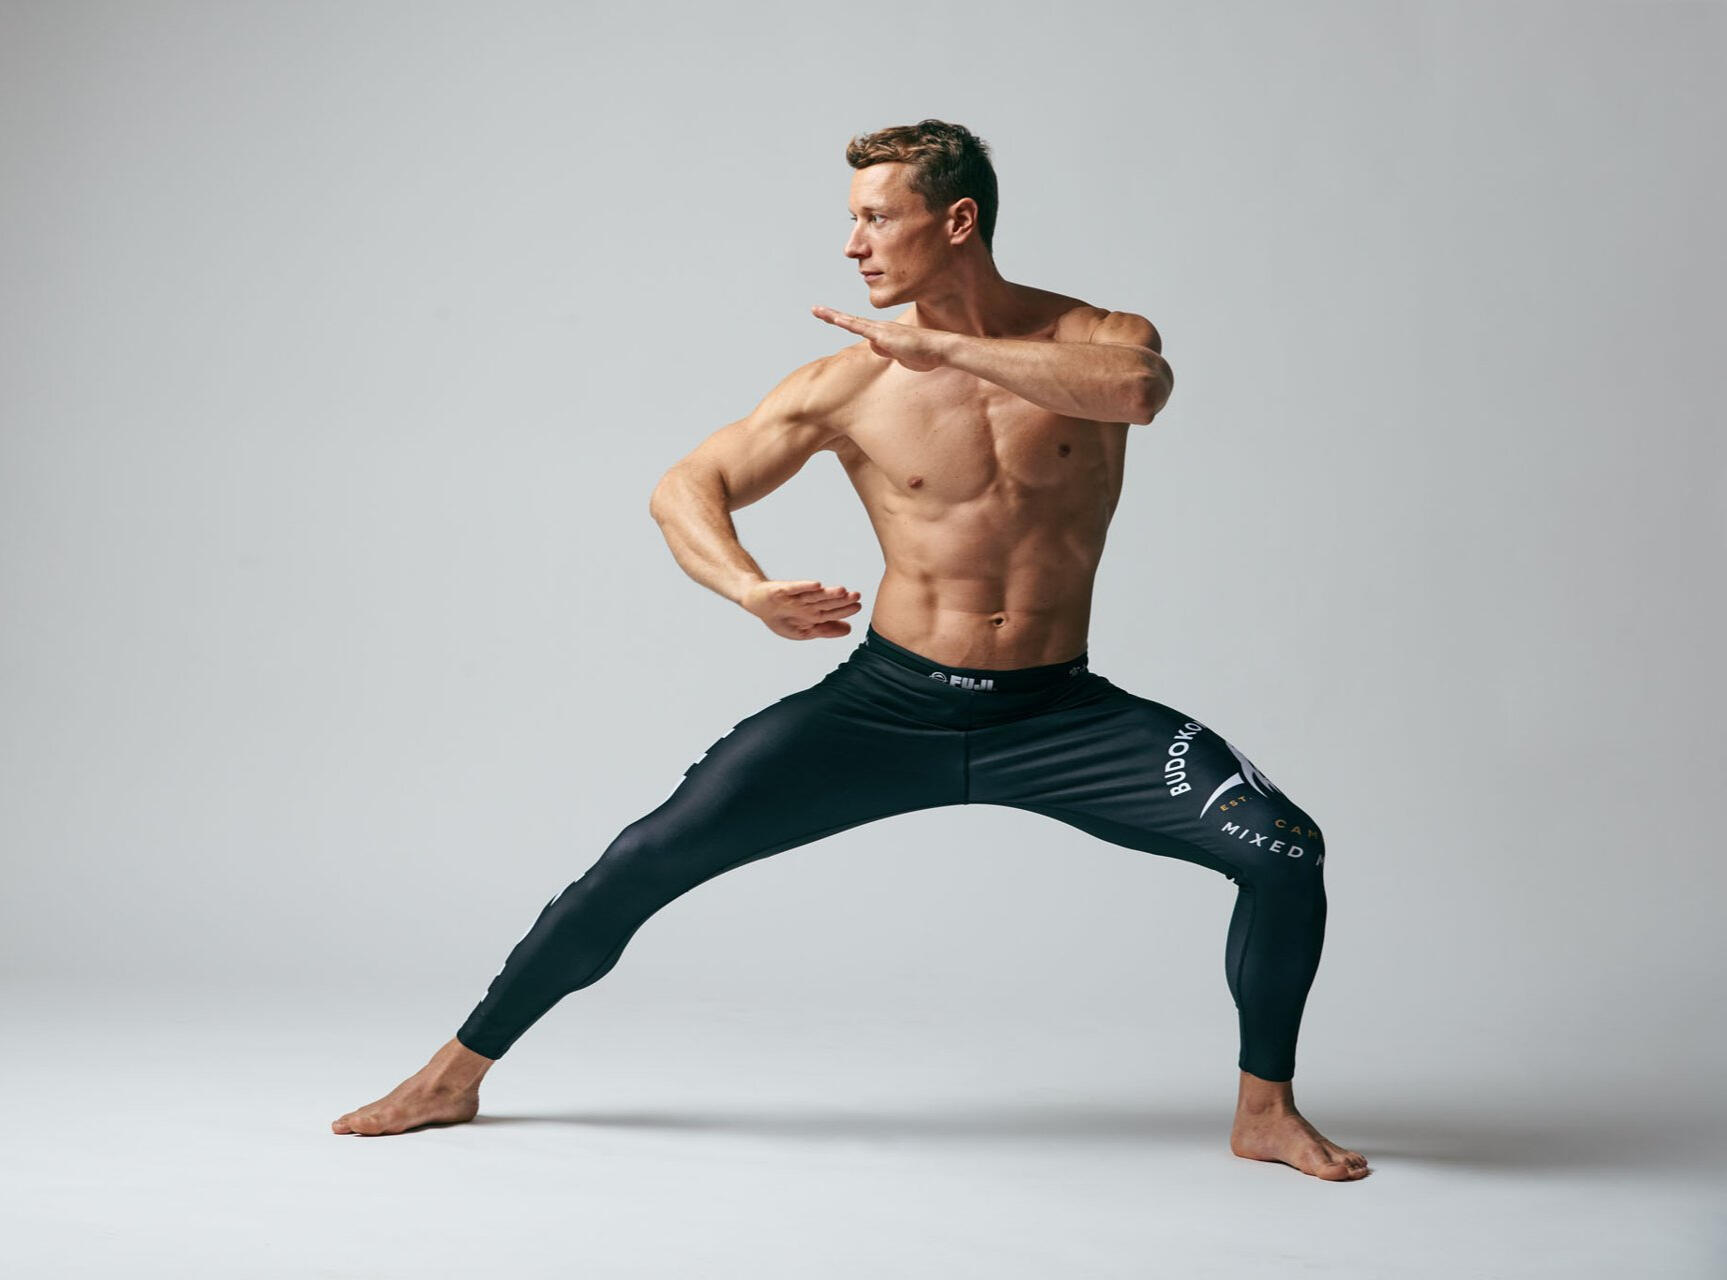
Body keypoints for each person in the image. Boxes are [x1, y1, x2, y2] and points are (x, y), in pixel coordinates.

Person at [332, 118, 1369, 1182]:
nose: (852, 244)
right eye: (851, 221)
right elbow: (683, 486)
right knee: (643, 858)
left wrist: (946, 348)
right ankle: (452, 1074)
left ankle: (1264, 1111)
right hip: (888, 708)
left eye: (876, 218)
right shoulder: (847, 384)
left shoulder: (1097, 335)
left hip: (1058, 716)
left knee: (1283, 849)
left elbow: (1136, 392)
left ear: (955, 221)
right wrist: (748, 588)